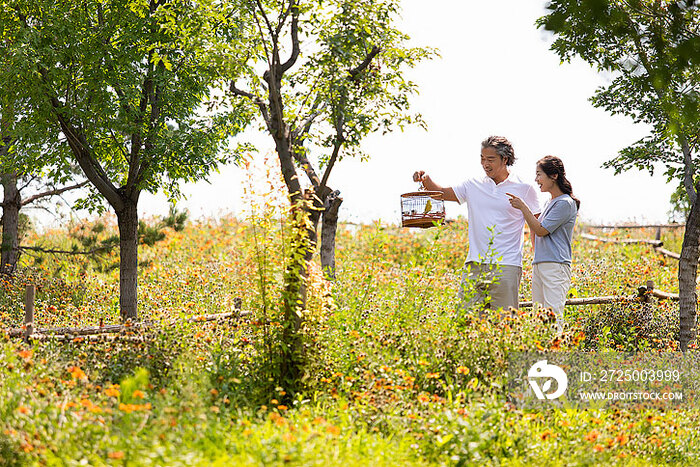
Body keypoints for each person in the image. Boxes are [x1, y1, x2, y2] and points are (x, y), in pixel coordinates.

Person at [413, 136, 541, 312]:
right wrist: (425, 180)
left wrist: (538, 260)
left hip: (507, 266)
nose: (485, 164)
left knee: (505, 325)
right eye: (482, 158)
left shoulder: (524, 188)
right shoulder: (472, 185)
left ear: (505, 159)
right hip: (474, 264)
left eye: (490, 159)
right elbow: (441, 193)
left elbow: (536, 226)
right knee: (464, 322)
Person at [507, 155, 579, 333]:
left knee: (553, 316)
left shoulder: (565, 203)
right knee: (539, 317)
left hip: (556, 265)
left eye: (539, 174)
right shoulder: (549, 203)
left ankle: (557, 357)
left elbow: (541, 230)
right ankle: (542, 358)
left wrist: (524, 207)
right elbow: (537, 230)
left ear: (553, 175)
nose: (536, 179)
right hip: (541, 264)